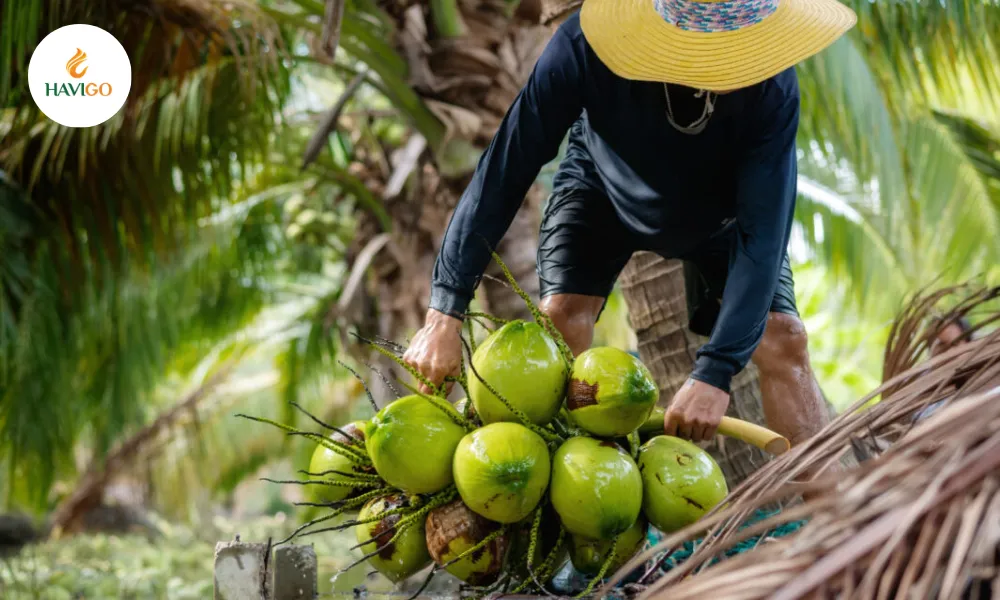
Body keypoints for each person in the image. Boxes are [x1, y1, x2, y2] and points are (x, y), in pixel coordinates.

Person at [403, 0, 857, 449]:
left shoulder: (772, 86)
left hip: (724, 215)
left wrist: (715, 372)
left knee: (784, 339)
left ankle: (828, 511)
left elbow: (764, 235)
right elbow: (504, 172)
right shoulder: (584, 45)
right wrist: (445, 312)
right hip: (601, 191)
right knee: (561, 318)